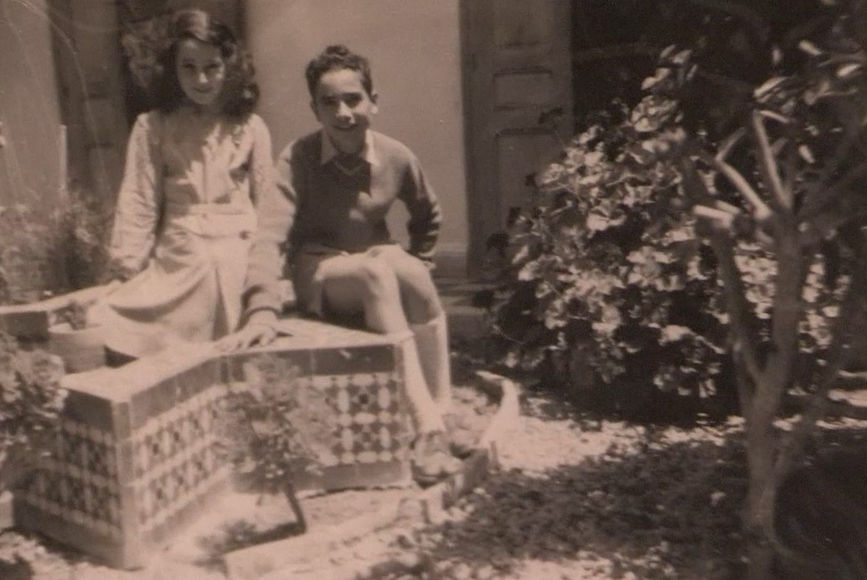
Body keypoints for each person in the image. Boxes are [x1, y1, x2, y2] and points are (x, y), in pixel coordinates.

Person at [220, 44, 461, 483]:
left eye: (353, 98)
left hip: (375, 250)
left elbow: (429, 215)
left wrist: (420, 258)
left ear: (373, 100)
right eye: (329, 102)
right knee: (377, 274)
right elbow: (269, 235)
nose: (343, 112)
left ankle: (444, 414)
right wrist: (262, 307)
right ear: (315, 109)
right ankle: (425, 428)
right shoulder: (298, 159)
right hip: (320, 265)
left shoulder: (396, 156)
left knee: (409, 272)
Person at [102, 9, 275, 365]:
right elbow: (140, 200)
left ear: (229, 66)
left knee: (223, 264)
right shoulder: (152, 127)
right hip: (181, 249)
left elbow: (269, 206)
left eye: (212, 67)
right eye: (189, 67)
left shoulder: (251, 127)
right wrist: (126, 268)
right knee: (107, 316)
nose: (201, 79)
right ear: (172, 69)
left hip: (240, 243)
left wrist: (272, 269)